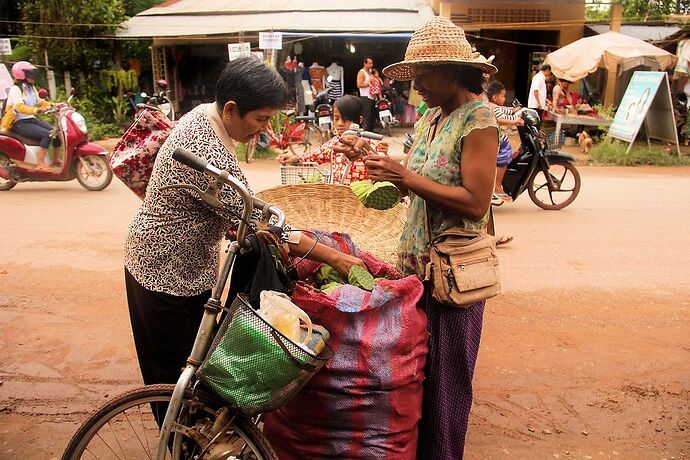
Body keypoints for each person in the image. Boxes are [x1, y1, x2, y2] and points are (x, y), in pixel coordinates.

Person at [123, 56, 365, 386]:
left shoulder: (209, 116)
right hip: (162, 269)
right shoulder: (203, 147)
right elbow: (262, 223)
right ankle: (175, 437)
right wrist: (336, 257)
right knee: (175, 378)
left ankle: (188, 434)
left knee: (198, 363)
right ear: (231, 109)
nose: (264, 128)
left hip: (193, 266)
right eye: (261, 119)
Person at [338, 16, 499, 459]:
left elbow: (474, 202)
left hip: (451, 275)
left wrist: (406, 176)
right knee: (416, 380)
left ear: (453, 70)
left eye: (425, 75)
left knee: (446, 385)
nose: (418, 85)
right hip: (416, 271)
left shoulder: (478, 121)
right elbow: (414, 181)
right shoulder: (430, 118)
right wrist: (372, 159)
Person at [276, 95, 388, 185]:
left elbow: (383, 166)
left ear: (359, 120)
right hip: (339, 197)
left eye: (346, 119)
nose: (340, 123)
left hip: (362, 198)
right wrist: (294, 158)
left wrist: (383, 152)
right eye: (336, 118)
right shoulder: (334, 144)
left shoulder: (369, 143)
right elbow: (314, 156)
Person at [1, 61, 58, 171]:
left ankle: (55, 160)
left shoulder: (31, 88)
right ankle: (40, 163)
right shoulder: (16, 89)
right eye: (30, 74)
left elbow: (41, 102)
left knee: (55, 132)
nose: (34, 77)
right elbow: (20, 108)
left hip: (30, 119)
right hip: (19, 122)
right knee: (47, 135)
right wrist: (36, 110)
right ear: (22, 75)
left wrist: (55, 105)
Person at [486, 81, 523, 201]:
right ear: (495, 97)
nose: (504, 98)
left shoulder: (492, 105)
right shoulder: (494, 108)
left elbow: (504, 110)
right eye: (503, 96)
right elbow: (502, 118)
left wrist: (513, 109)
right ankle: (497, 187)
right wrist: (516, 119)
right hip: (498, 139)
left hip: (496, 137)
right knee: (505, 158)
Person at [357, 56, 376, 130]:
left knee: (372, 116)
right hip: (365, 97)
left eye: (372, 63)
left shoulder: (370, 72)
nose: (371, 65)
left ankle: (371, 131)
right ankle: (365, 131)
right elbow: (359, 84)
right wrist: (368, 84)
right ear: (365, 64)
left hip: (371, 96)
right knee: (366, 116)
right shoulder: (362, 72)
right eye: (369, 63)